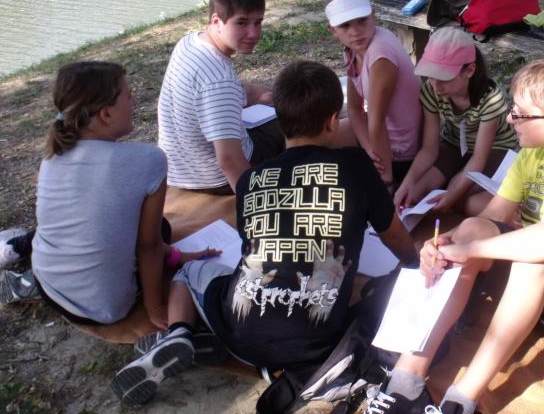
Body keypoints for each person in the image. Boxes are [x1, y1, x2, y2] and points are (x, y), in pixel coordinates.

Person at [112, 61, 419, 407]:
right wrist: (415, 265)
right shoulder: (355, 166)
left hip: (240, 333)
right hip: (317, 343)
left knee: (189, 272)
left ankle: (180, 332)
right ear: (333, 120)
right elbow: (394, 236)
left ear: (279, 119)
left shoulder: (250, 180)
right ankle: (221, 347)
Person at [368, 56, 544, 414]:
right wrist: (446, 244)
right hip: (529, 275)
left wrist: (476, 248)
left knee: (535, 258)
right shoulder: (531, 157)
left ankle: (462, 399)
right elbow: (490, 218)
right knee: (470, 229)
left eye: (520, 114)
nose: (510, 118)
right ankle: (405, 380)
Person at [0, 61, 215, 326]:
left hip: (48, 285)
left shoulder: (53, 154)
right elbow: (148, 246)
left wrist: (174, 255)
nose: (134, 102)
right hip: (105, 308)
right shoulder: (149, 159)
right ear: (106, 114)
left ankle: (25, 280)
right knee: (160, 228)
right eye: (128, 96)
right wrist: (155, 308)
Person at [157, 0, 284, 194]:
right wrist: (252, 203)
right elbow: (230, 162)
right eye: (242, 23)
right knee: (296, 123)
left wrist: (259, 95)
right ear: (216, 21)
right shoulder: (219, 82)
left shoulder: (189, 42)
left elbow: (223, 94)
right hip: (214, 180)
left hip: (179, 169)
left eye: (258, 22)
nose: (254, 33)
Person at [393, 27, 517, 217]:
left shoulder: (491, 99)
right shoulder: (431, 90)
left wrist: (453, 194)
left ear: (469, 70)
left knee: (458, 196)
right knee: (416, 192)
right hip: (454, 144)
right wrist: (408, 182)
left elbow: (479, 159)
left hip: (494, 149)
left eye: (444, 78)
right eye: (431, 76)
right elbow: (429, 148)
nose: (436, 86)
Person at [326, 0, 422, 193]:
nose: (355, 32)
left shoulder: (381, 54)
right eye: (345, 25)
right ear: (332, 30)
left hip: (402, 151)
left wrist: (385, 178)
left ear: (373, 15)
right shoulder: (352, 49)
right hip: (377, 134)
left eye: (362, 20)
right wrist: (368, 148)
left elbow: (376, 121)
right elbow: (354, 109)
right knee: (314, 137)